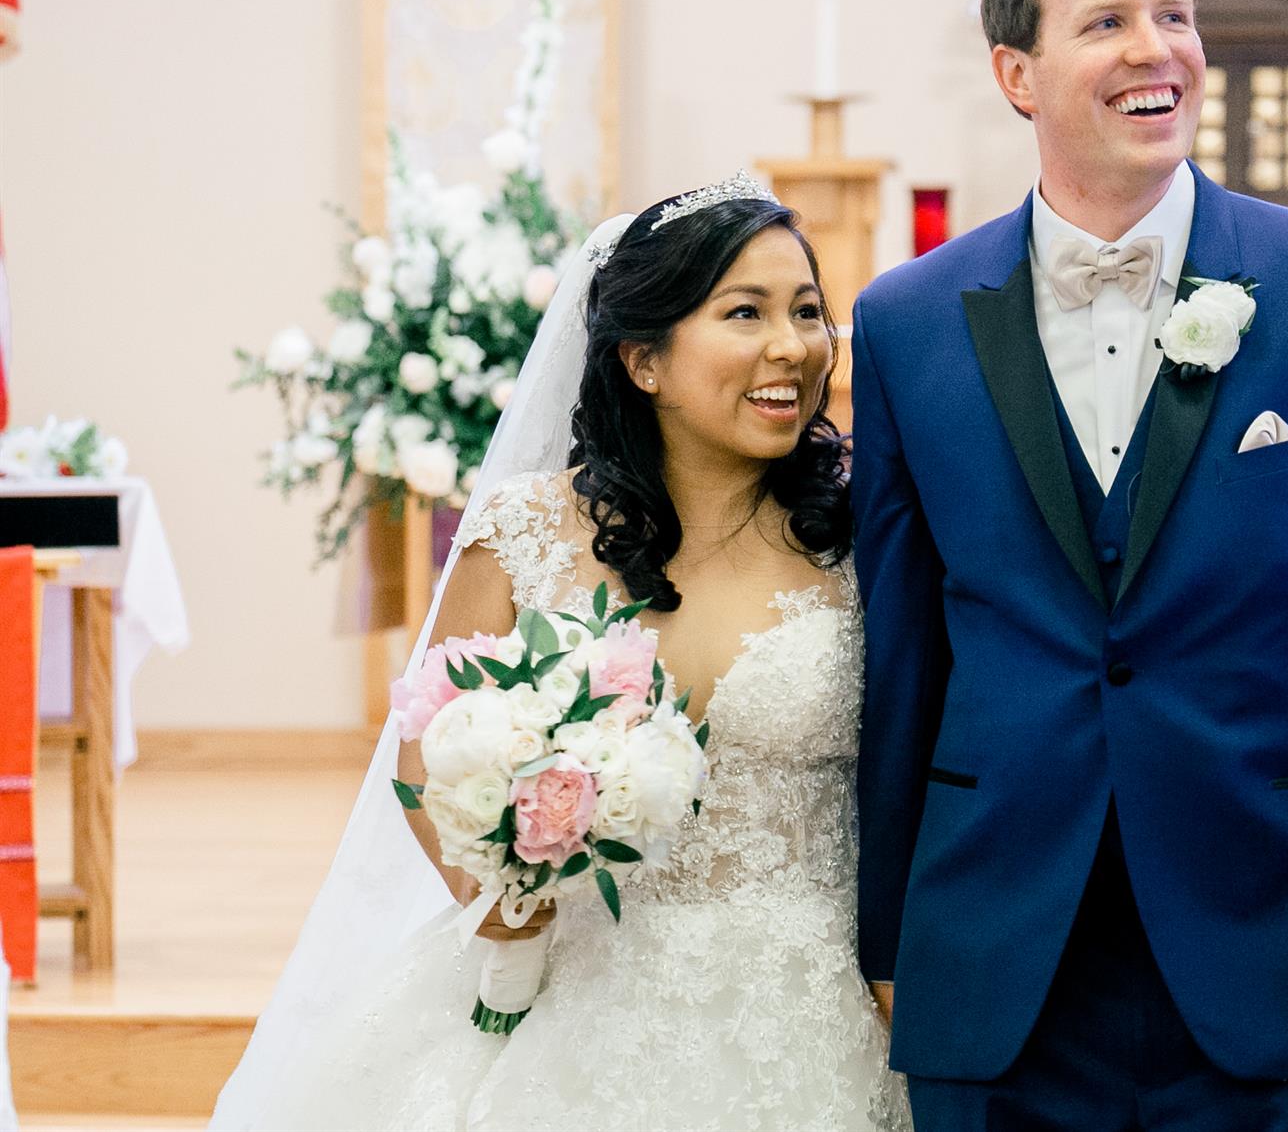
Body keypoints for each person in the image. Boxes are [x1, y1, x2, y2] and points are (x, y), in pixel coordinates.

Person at [850, 0, 1288, 1130]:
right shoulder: (906, 323)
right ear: (1016, 73)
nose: (1157, 49)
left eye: (1174, 16)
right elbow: (903, 653)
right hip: (1000, 968)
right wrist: (887, 938)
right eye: (1106, 22)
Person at [213, 177, 908, 1131]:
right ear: (643, 359)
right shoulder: (526, 531)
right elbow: (424, 754)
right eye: (745, 312)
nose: (794, 345)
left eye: (808, 310)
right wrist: (498, 888)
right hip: (571, 997)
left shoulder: (865, 530)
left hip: (812, 1010)